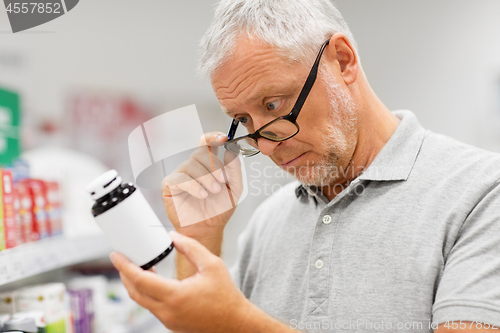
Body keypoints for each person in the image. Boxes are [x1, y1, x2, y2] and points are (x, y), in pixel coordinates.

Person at [110, 0, 500, 332]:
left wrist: (240, 324)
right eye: (243, 120)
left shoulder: (482, 194)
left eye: (273, 105)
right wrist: (199, 239)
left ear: (343, 61)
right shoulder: (267, 223)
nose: (264, 145)